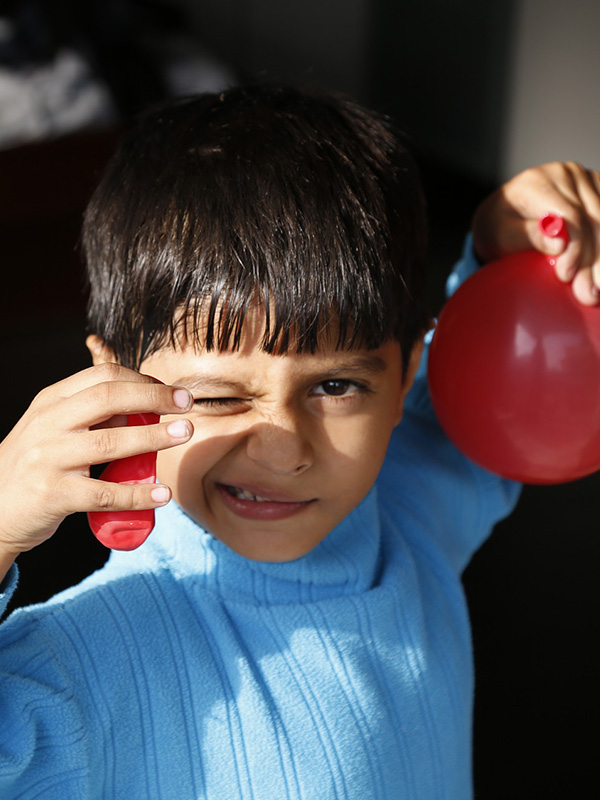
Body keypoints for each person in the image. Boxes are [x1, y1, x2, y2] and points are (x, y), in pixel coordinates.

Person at [0, 85, 598, 799]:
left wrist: (508, 257)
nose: (283, 453)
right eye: (216, 396)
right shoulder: (83, 665)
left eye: (336, 386)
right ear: (113, 384)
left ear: (405, 374)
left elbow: (489, 389)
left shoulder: (407, 518)